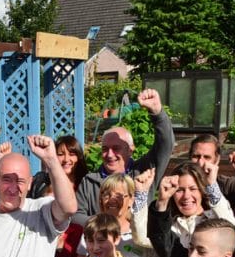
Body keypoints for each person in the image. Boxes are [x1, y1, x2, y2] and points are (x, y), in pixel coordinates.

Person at [74, 89, 174, 226]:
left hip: (138, 244)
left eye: (116, 148)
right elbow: (76, 215)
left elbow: (165, 144)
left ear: (130, 150)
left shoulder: (144, 172)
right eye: (105, 149)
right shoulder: (90, 181)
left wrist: (157, 114)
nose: (110, 155)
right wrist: (103, 226)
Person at [148, 161, 235, 257]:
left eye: (193, 188)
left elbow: (230, 231)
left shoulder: (213, 219)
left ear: (202, 191)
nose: (186, 196)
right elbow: (149, 237)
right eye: (180, 190)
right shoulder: (171, 223)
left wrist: (212, 185)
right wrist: (161, 201)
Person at [96, 171, 160, 257]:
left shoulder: (143, 235)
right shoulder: (91, 232)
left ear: (131, 199)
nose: (112, 200)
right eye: (106, 195)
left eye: (118, 195)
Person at [188, 135, 235, 224]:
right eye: (196, 156)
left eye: (207, 157)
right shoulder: (180, 185)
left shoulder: (227, 185)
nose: (200, 163)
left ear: (217, 160)